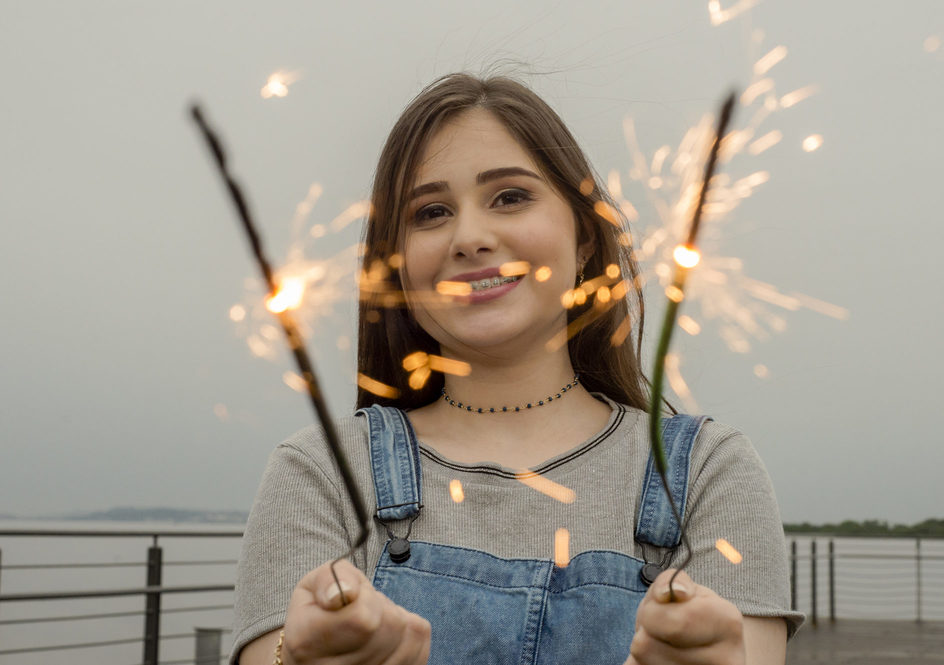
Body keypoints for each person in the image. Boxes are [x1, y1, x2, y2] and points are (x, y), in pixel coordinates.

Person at [230, 73, 804, 665]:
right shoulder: (322, 471)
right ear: (393, 269)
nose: (470, 237)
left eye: (510, 196)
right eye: (430, 212)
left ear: (584, 239)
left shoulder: (709, 471)